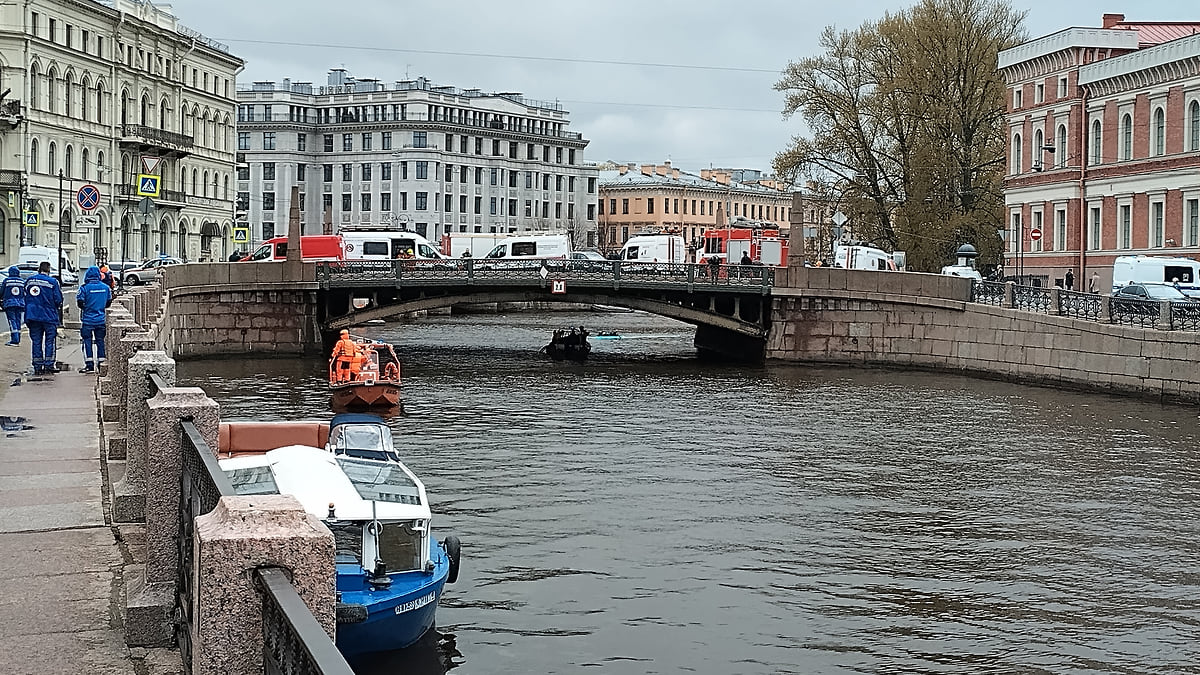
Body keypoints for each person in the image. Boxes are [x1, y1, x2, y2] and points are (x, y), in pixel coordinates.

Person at [24, 261, 63, 375]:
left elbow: (25, 296)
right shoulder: (52, 282)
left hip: (33, 315)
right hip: (48, 316)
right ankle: (49, 364)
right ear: (49, 270)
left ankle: (37, 366)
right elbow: (58, 300)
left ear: (39, 269)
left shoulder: (30, 281)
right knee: (50, 340)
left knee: (36, 341)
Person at [76, 266, 113, 374]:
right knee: (100, 341)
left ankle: (89, 365)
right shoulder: (105, 288)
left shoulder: (84, 288)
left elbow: (80, 303)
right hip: (100, 319)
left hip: (87, 320)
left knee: (87, 341)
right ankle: (101, 364)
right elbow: (108, 303)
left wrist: (88, 307)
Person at [2, 266, 25, 346]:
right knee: (18, 320)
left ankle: (14, 340)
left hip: (10, 303)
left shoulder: (6, 281)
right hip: (20, 304)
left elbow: (2, 292)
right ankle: (18, 337)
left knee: (12, 321)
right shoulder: (22, 282)